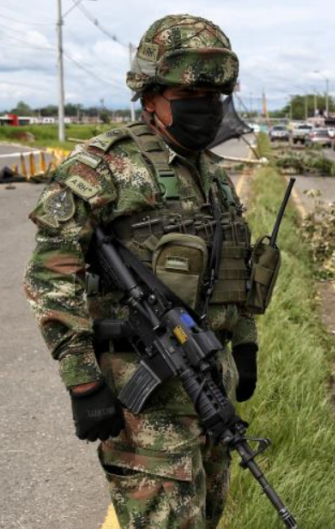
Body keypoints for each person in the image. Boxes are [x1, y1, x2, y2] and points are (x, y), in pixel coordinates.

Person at [23, 14, 259, 527]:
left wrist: (245, 343)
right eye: (190, 98)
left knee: (209, 515)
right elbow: (50, 277)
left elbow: (232, 269)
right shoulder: (101, 167)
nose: (207, 111)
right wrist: (83, 382)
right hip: (144, 396)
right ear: (149, 96)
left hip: (210, 383)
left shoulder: (213, 175)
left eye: (216, 99)